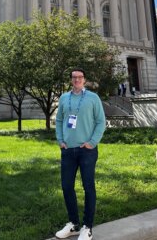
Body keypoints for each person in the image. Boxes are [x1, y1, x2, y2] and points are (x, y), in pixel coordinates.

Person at [55, 68, 106, 240]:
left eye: (80, 77)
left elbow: (100, 122)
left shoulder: (93, 98)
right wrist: (60, 140)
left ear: (84, 80)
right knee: (67, 186)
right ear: (71, 80)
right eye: (74, 77)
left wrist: (92, 143)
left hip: (87, 151)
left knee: (88, 187)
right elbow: (60, 120)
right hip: (68, 150)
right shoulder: (64, 98)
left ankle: (87, 226)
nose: (77, 80)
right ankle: (74, 224)